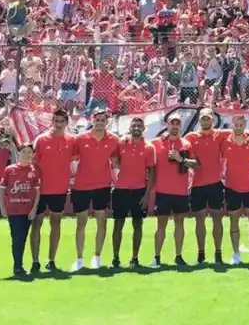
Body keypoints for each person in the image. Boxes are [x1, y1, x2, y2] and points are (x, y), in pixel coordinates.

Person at [69, 110, 120, 272]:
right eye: (97, 119)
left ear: (107, 122)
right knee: (81, 223)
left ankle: (97, 257)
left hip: (103, 186)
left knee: (101, 221)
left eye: (102, 120)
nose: (99, 122)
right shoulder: (80, 138)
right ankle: (79, 259)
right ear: (92, 120)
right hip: (81, 186)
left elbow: (115, 162)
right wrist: (71, 176)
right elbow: (72, 160)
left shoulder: (114, 140)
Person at [151, 115, 198, 268]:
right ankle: (156, 257)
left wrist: (181, 159)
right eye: (172, 123)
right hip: (163, 191)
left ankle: (178, 256)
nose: (175, 126)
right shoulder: (157, 143)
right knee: (161, 225)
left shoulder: (186, 144)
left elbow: (196, 164)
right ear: (167, 125)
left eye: (178, 124)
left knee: (180, 224)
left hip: (181, 191)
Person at [31, 109, 75, 273]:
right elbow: (33, 162)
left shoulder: (71, 141)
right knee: (37, 224)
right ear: (52, 121)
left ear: (66, 123)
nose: (58, 124)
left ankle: (51, 260)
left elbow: (77, 158)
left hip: (60, 189)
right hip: (41, 189)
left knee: (56, 223)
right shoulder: (41, 140)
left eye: (61, 121)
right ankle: (35, 261)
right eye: (56, 121)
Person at [110, 117, 154, 269]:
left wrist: (147, 194)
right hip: (121, 189)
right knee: (118, 223)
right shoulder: (121, 143)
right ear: (130, 127)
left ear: (143, 128)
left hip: (139, 191)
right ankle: (115, 258)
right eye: (134, 125)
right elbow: (115, 161)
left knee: (138, 224)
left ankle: (134, 258)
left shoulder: (149, 147)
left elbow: (151, 171)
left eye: (139, 125)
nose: (136, 127)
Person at [185, 109, 227, 265]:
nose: (206, 121)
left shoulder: (220, 134)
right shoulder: (191, 137)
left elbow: (240, 130)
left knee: (217, 218)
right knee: (199, 220)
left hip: (215, 184)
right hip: (197, 185)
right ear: (199, 120)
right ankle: (201, 254)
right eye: (203, 118)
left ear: (212, 119)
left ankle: (218, 254)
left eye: (208, 118)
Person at [221, 115, 249, 265]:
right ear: (232, 125)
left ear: (245, 125)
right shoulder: (225, 141)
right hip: (232, 186)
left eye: (241, 124)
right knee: (234, 221)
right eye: (236, 124)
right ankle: (236, 254)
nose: (238, 127)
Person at [0, 144, 40, 277]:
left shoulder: (34, 171)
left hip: (27, 210)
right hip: (13, 210)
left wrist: (34, 209)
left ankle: (19, 266)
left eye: (29, 152)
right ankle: (17, 266)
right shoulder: (9, 170)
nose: (27, 154)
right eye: (24, 152)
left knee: (23, 237)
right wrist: (3, 207)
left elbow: (37, 192)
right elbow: (2, 190)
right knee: (17, 238)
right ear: (19, 153)